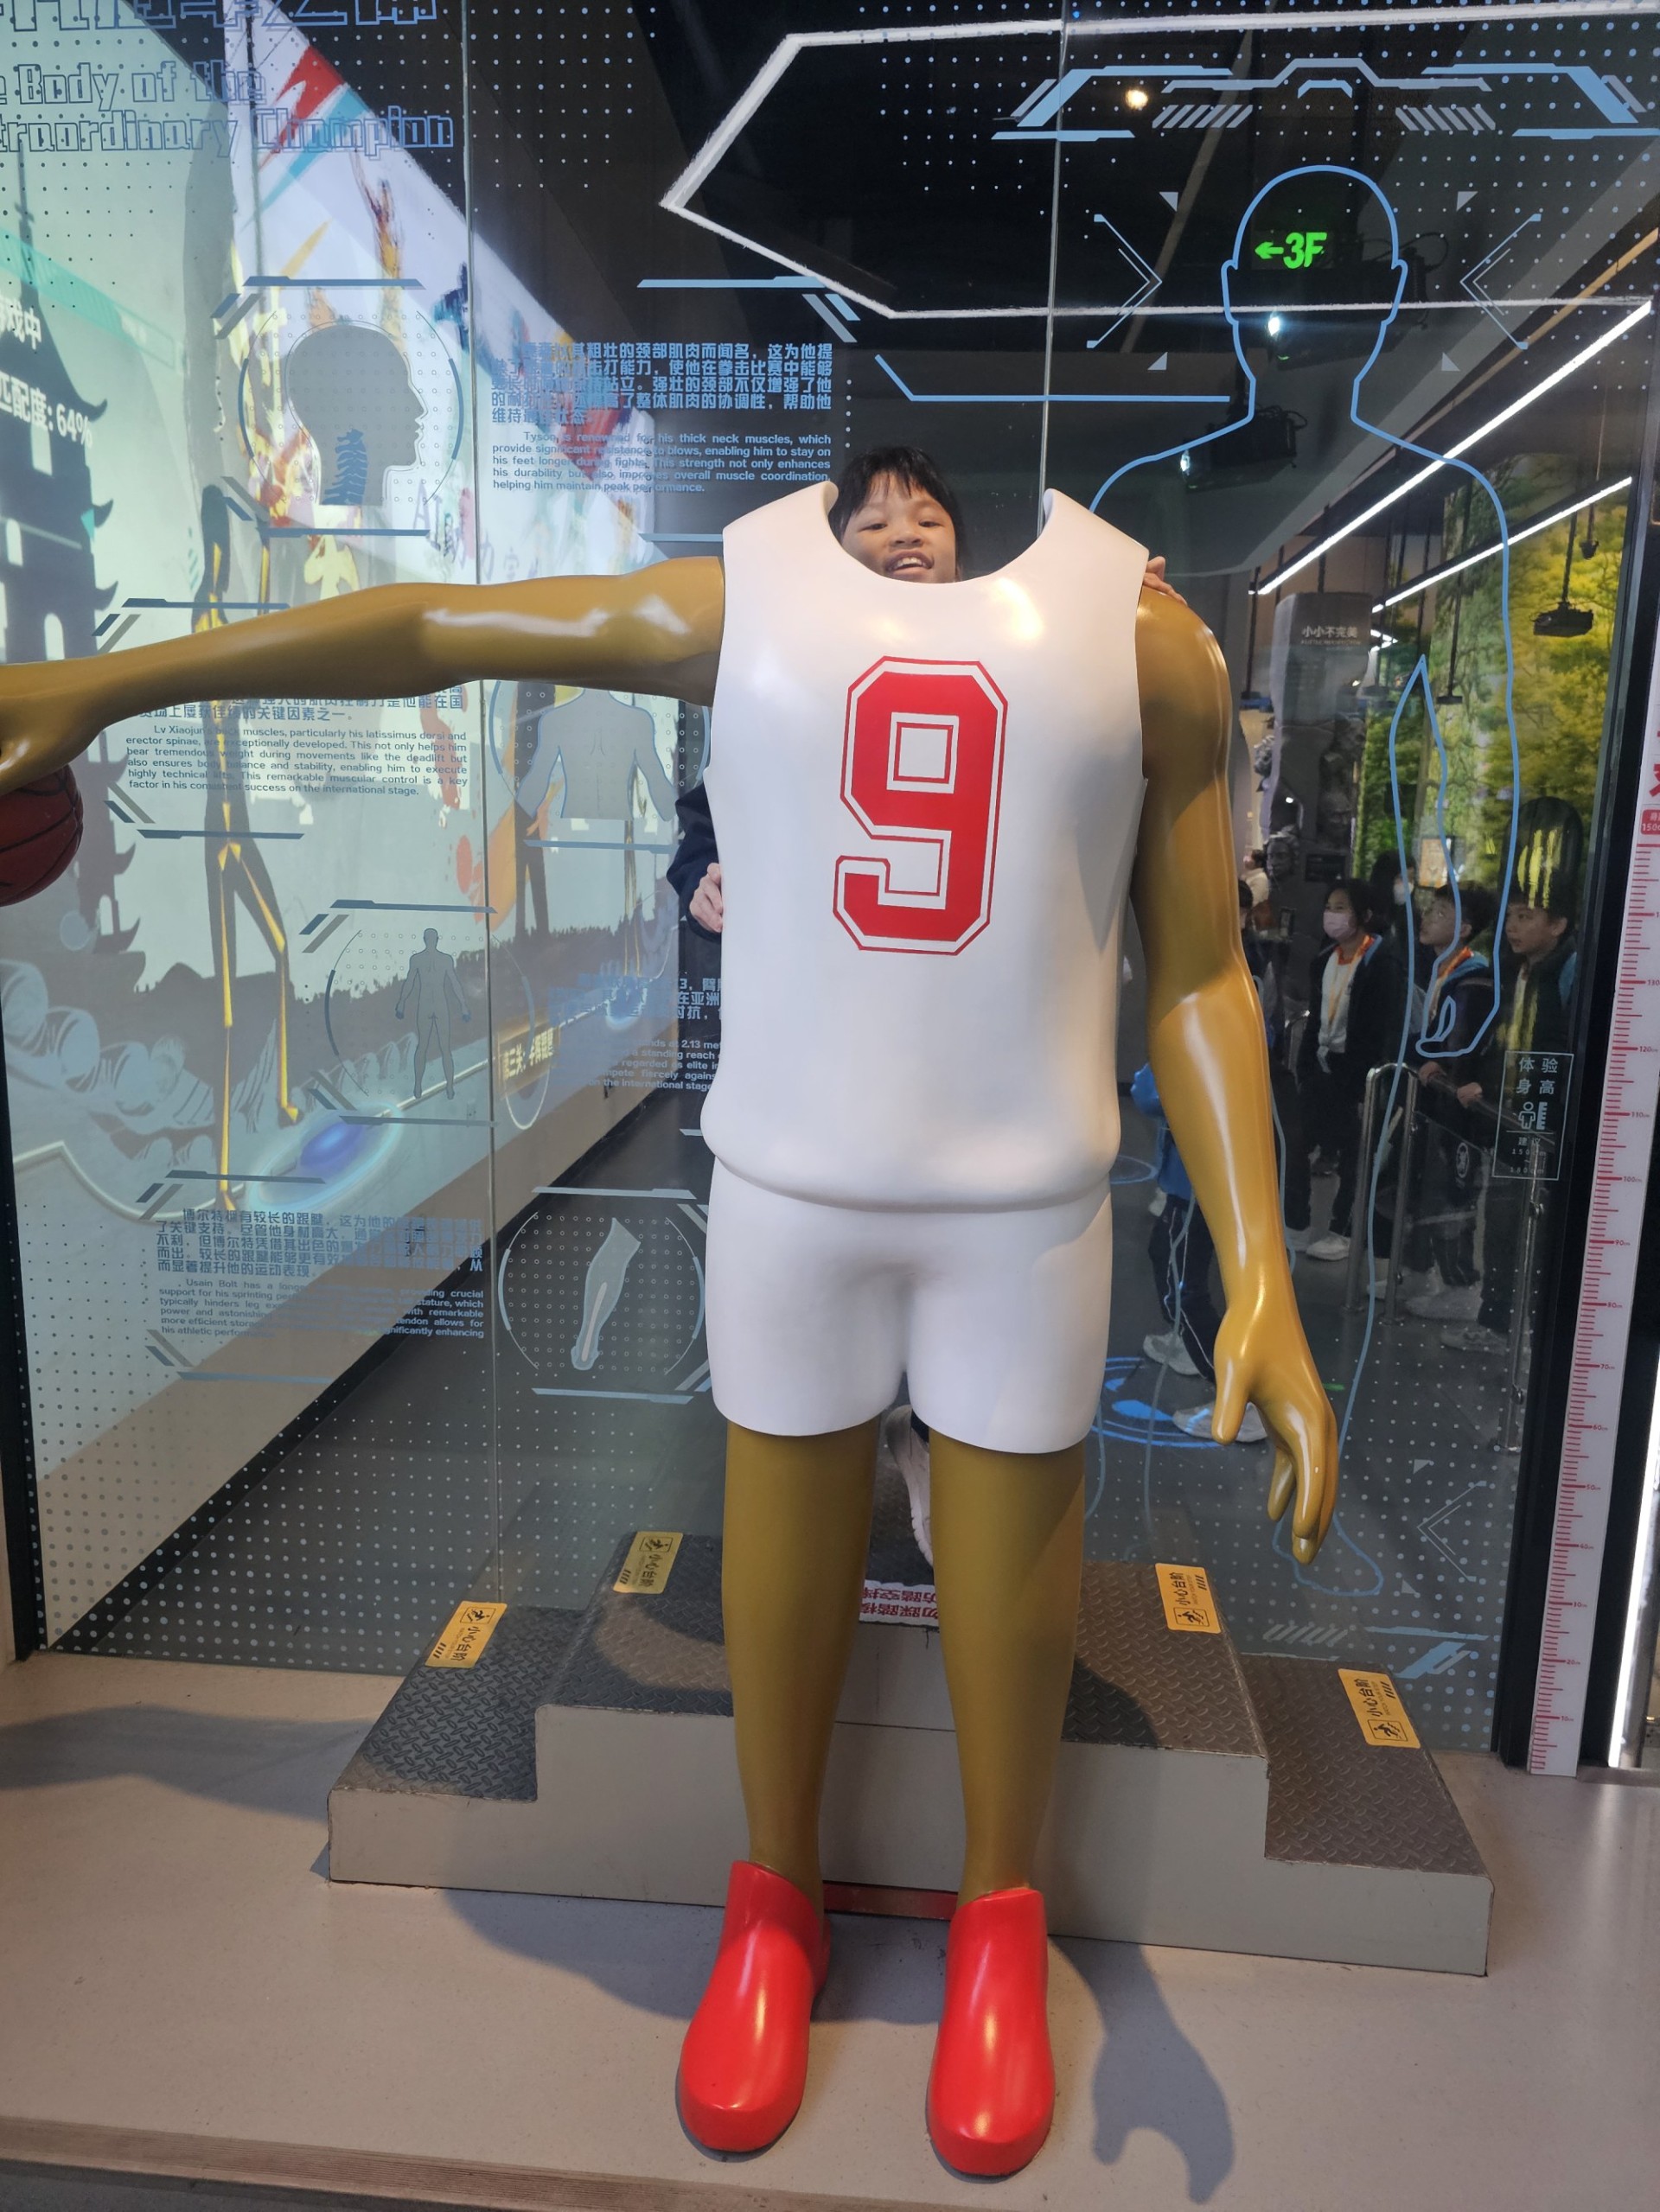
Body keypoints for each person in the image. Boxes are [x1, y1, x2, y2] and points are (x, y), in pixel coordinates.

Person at [0, 446, 1337, 2179]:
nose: (896, 528)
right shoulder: (749, 602)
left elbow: (1205, 974)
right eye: (867, 508)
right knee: (780, 1569)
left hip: (1023, 1210)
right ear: (828, 532)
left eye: (923, 506)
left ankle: (999, 1918)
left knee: (1015, 1596)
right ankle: (773, 1902)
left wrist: (1261, 1263)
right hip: (793, 1192)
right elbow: (439, 624)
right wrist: (115, 682)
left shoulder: (1142, 639)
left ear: (977, 520)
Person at [1402, 883, 1498, 1322]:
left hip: (1457, 1109)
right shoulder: (1445, 969)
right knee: (1428, 1185)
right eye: (1430, 909)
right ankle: (1423, 1272)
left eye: (1440, 913)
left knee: (1453, 1192)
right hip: (1437, 1103)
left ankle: (1460, 1286)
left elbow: (1460, 1043)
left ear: (1464, 928)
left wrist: (1438, 1064)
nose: (1427, 918)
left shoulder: (1473, 976)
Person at [1298, 877, 1404, 1262]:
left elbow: (1382, 1027)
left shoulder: (1381, 962)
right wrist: (1306, 1064)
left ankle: (1341, 1231)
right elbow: (1316, 1019)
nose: (1332, 915)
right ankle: (1295, 1220)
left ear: (1364, 915)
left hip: (1358, 1074)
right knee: (1297, 1143)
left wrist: (1364, 1076)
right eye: (1330, 906)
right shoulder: (1325, 959)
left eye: (1341, 908)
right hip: (1322, 1068)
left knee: (1355, 1157)